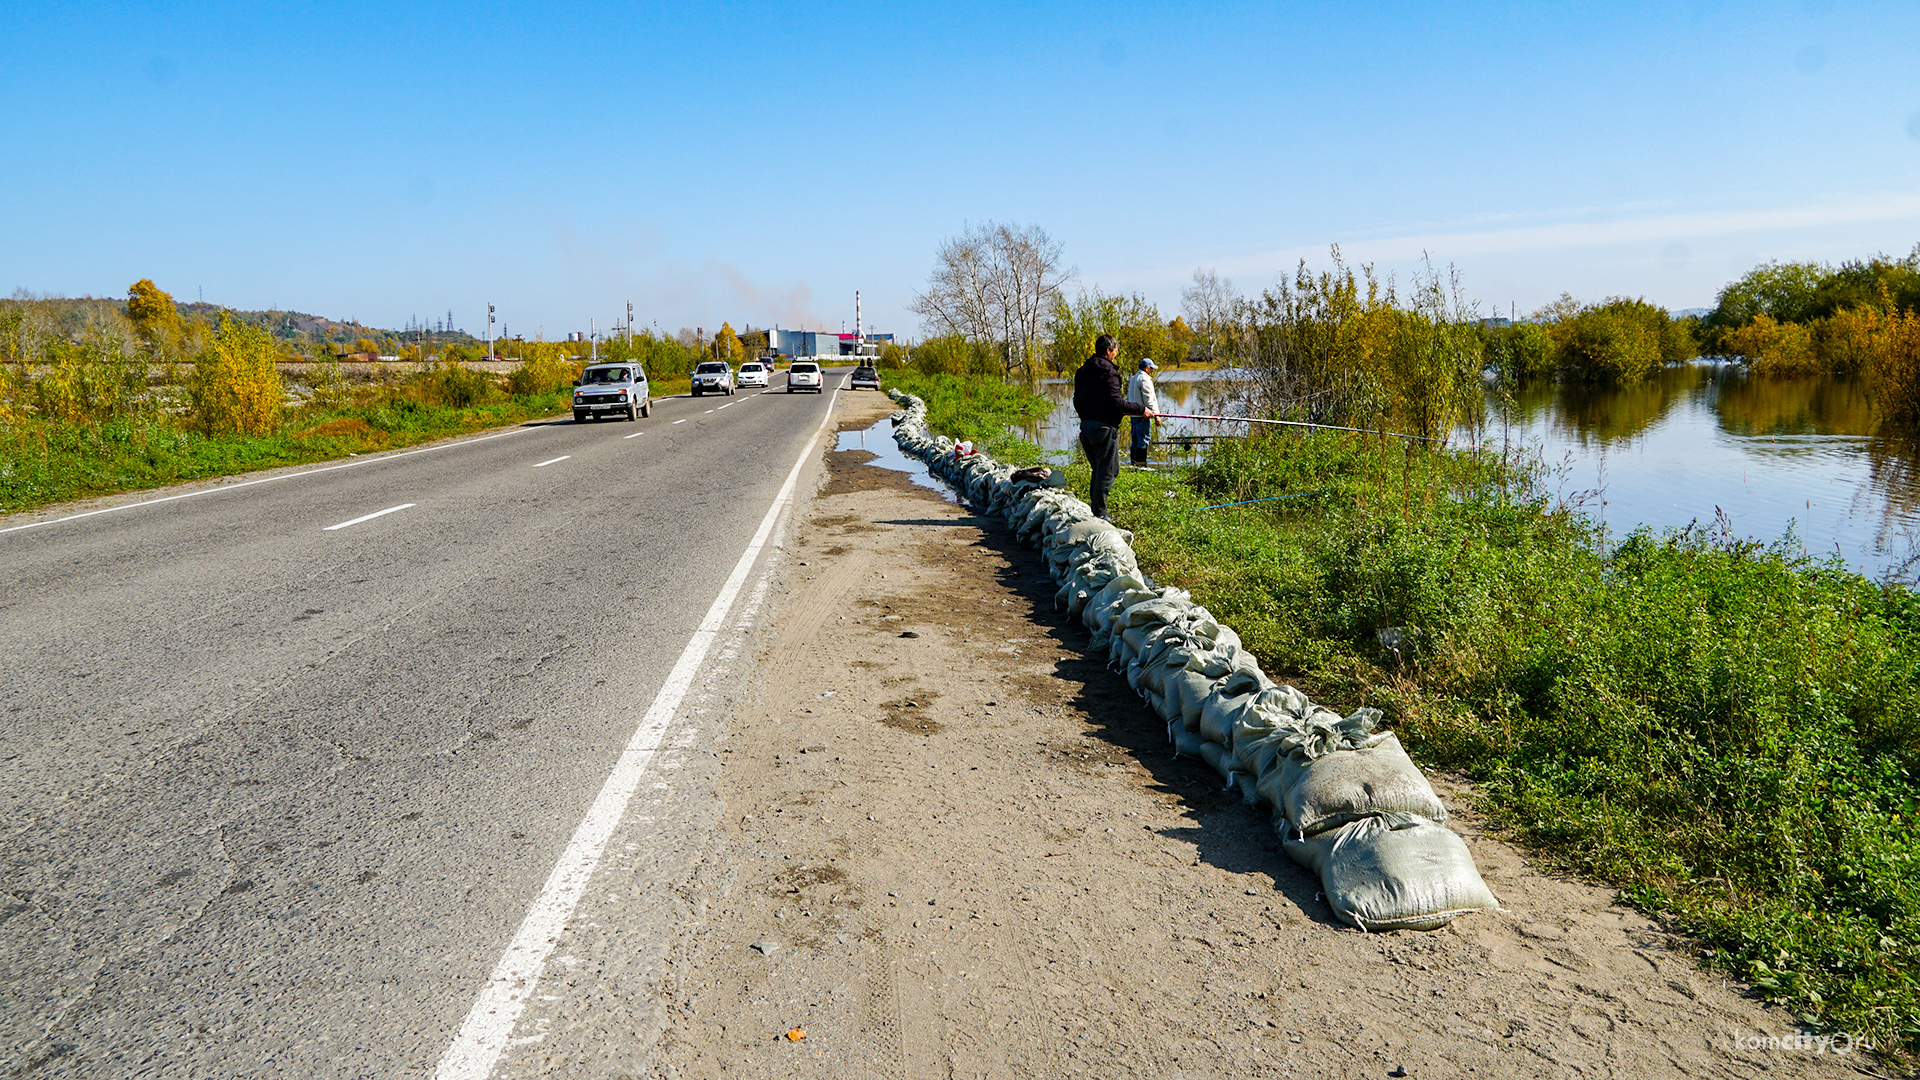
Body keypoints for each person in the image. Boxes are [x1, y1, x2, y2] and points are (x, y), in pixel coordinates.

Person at [1072, 334, 1150, 520]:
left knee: (1098, 470)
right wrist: (1142, 410)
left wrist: (1086, 417)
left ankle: (1095, 512)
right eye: (1115, 350)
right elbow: (1117, 403)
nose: (1116, 353)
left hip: (1087, 428)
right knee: (1109, 471)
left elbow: (1076, 401)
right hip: (1104, 430)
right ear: (1108, 351)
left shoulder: (1082, 371)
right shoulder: (1110, 373)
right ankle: (1100, 515)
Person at [1125, 357, 1159, 465]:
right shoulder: (1144, 379)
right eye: (1151, 369)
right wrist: (1157, 416)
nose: (1152, 371)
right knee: (1143, 440)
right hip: (1143, 415)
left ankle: (1133, 463)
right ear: (1147, 368)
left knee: (1135, 440)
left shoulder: (1133, 378)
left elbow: (1128, 397)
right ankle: (1141, 464)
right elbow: (1148, 400)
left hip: (1133, 415)